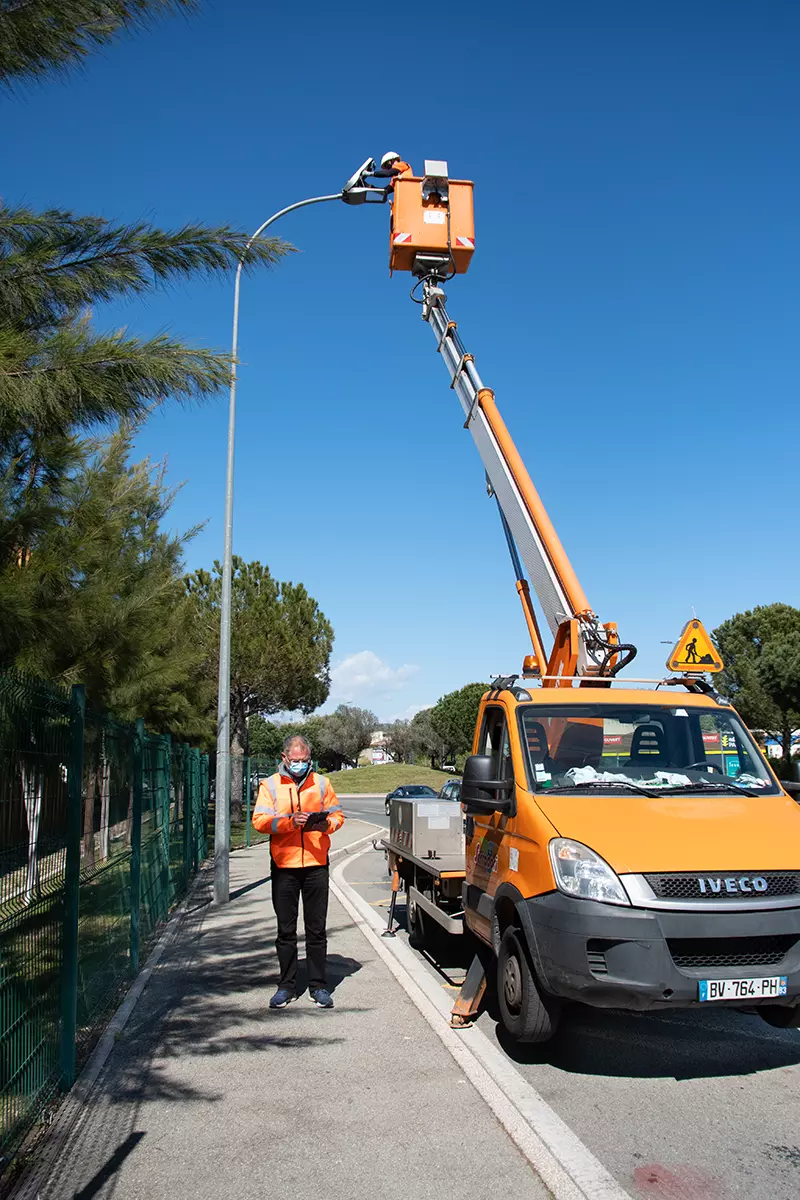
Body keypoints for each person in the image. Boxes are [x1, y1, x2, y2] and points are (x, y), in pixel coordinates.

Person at [252, 735, 344, 1010]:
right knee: (286, 930)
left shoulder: (322, 783)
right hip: (284, 866)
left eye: (305, 761)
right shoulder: (270, 785)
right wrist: (289, 823)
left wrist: (325, 825)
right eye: (295, 761)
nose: (300, 765)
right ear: (284, 758)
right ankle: (286, 986)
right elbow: (260, 821)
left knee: (316, 930)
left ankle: (318, 986)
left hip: (316, 864)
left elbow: (338, 815)